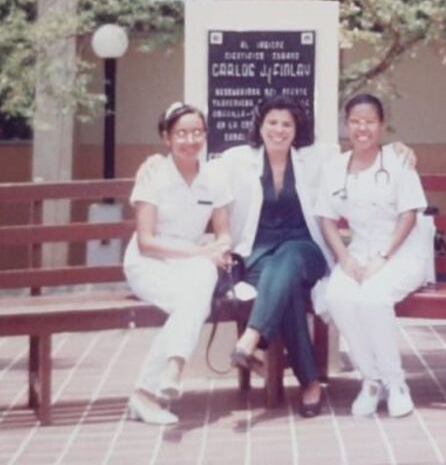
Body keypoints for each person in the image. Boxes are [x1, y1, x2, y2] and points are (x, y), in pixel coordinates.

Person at [219, 95, 337, 417]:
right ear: (260, 124)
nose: (279, 130)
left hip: (305, 250)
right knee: (288, 294)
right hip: (258, 255)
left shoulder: (316, 158)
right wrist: (155, 164)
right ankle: (310, 384)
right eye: (272, 122)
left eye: (287, 124)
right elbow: (201, 180)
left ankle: (252, 335)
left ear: (297, 129)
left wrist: (399, 151)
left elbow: (362, 153)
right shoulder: (235, 160)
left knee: (287, 258)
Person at [317, 95, 433, 418]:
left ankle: (396, 384)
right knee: (338, 296)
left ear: (381, 126)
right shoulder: (334, 167)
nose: (362, 128)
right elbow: (326, 219)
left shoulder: (398, 162)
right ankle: (370, 380)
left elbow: (408, 216)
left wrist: (383, 257)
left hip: (401, 252)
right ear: (346, 124)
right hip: (356, 253)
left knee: (372, 299)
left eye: (369, 122)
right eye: (355, 121)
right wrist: (343, 258)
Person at [122, 102, 234, 425]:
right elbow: (146, 241)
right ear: (166, 137)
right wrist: (203, 252)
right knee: (195, 297)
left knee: (196, 291)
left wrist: (220, 250)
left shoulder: (214, 177)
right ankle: (166, 374)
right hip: (149, 264)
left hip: (188, 264)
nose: (190, 140)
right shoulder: (153, 174)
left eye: (197, 132)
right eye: (182, 133)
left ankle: (155, 384)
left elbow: (223, 234)